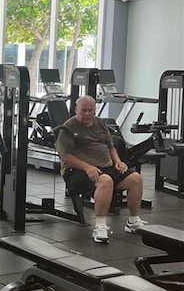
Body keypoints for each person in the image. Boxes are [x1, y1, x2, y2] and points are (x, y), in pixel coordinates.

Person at [55, 95, 146, 244]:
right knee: (106, 181)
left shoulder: (100, 124)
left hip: (106, 167)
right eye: (83, 110)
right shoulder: (69, 127)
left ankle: (133, 222)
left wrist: (118, 162)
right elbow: (65, 156)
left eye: (90, 110)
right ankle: (101, 226)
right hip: (77, 171)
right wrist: (87, 166)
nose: (87, 114)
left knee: (136, 179)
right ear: (76, 110)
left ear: (95, 110)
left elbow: (110, 146)